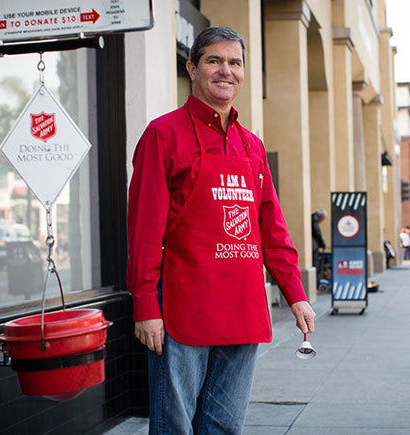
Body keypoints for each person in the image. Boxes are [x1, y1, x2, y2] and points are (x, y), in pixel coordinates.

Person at [126, 26, 316, 434]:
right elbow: (144, 230)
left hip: (242, 306)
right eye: (214, 60)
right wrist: (145, 304)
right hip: (181, 308)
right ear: (192, 68)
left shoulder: (252, 146)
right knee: (174, 424)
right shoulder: (163, 135)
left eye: (235, 63)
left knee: (225, 426)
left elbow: (272, 229)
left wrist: (296, 295)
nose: (225, 71)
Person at [311, 209, 327, 275]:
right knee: (315, 262)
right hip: (314, 245)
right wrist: (322, 243)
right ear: (320, 216)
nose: (321, 221)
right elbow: (317, 233)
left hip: (313, 244)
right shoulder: (314, 220)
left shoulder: (312, 218)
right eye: (322, 219)